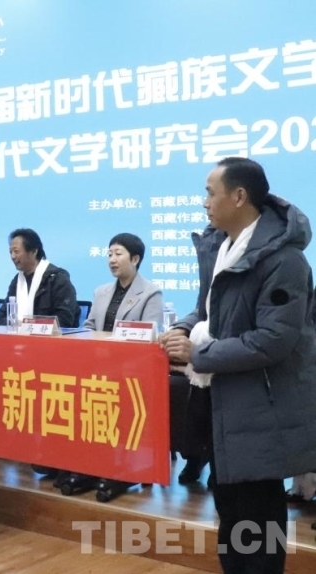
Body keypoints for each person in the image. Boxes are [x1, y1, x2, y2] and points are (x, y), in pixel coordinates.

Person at [159, 157, 316, 574]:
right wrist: (182, 328)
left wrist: (197, 354)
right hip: (223, 402)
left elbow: (273, 340)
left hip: (261, 411)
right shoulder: (222, 247)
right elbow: (208, 311)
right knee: (232, 515)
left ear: (239, 196)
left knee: (258, 519)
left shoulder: (284, 261)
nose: (204, 202)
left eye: (210, 192)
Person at [58, 233, 163, 496]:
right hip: (99, 368)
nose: (112, 260)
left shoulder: (151, 293)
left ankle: (121, 469)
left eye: (118, 254)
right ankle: (90, 464)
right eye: (109, 254)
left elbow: (150, 336)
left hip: (131, 372)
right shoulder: (101, 291)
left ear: (135, 259)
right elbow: (89, 326)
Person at [0, 228, 80, 328]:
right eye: (10, 252)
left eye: (16, 251)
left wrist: (28, 325)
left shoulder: (57, 279)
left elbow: (64, 320)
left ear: (34, 251)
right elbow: (0, 319)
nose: (13, 256)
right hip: (18, 337)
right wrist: (21, 325)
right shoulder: (17, 281)